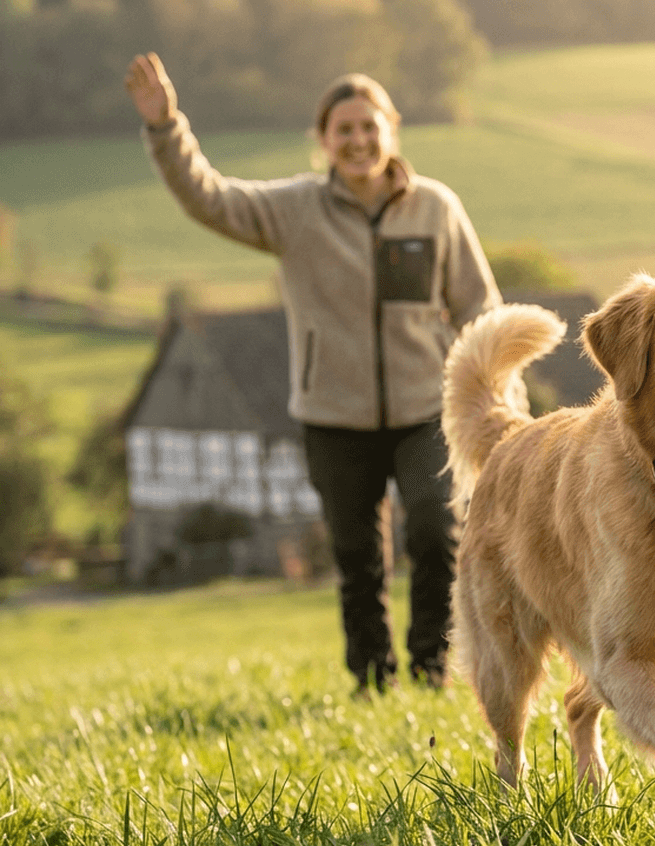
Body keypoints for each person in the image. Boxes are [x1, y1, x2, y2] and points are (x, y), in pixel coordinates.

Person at [124, 53, 501, 695]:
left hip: (425, 412)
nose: (357, 141)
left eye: (368, 126)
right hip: (333, 417)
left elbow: (480, 310)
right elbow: (209, 198)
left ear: (392, 129)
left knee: (438, 532)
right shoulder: (294, 210)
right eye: (343, 129)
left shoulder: (436, 208)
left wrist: (494, 394)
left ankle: (432, 667)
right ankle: (372, 678)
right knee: (358, 558)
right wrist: (167, 130)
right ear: (322, 140)